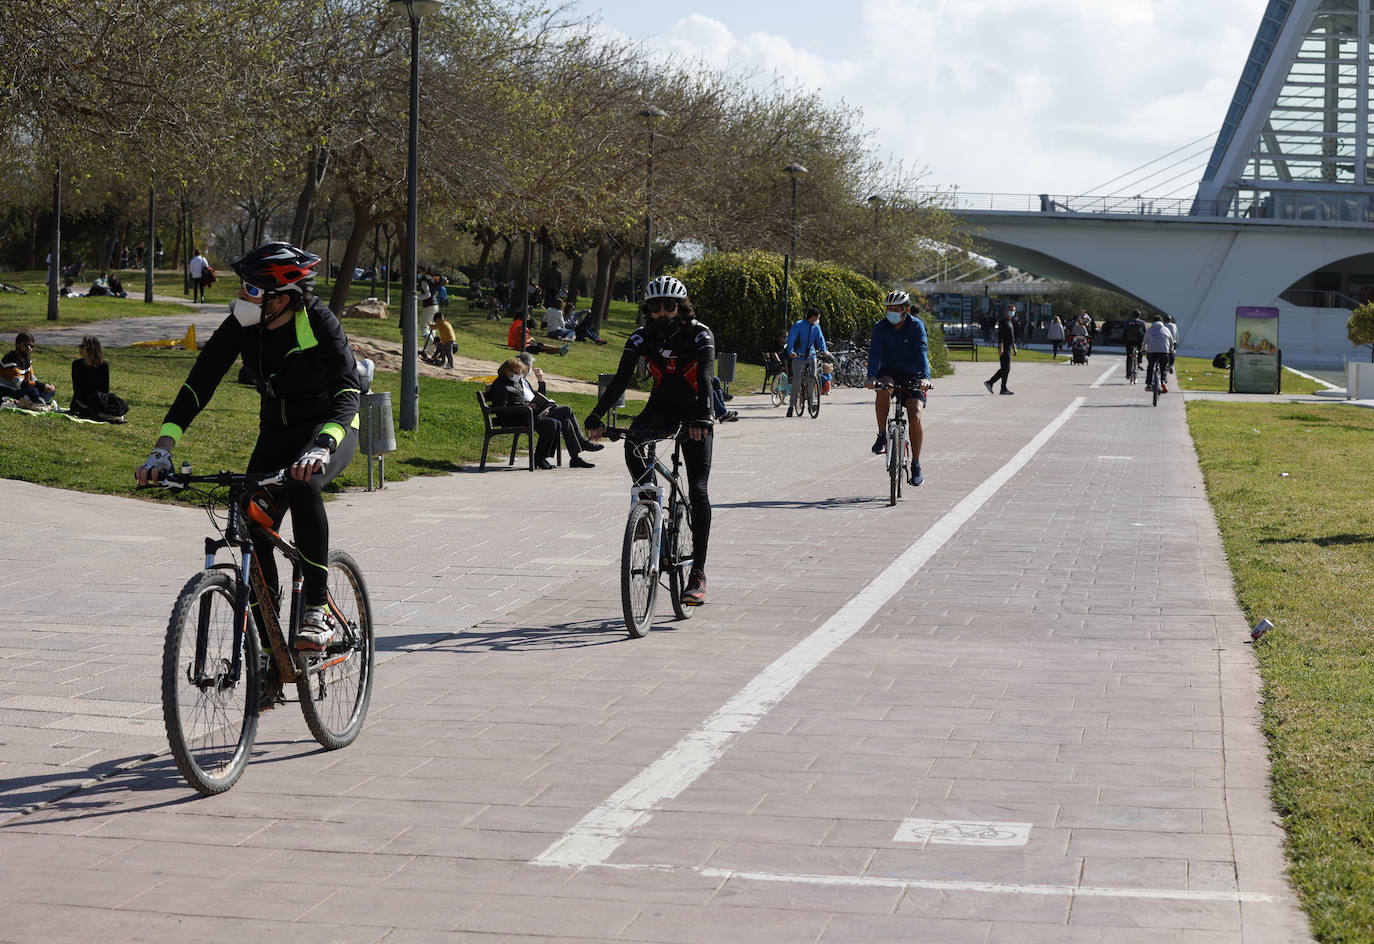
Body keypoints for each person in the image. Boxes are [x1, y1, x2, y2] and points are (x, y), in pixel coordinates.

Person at [135, 242, 361, 652]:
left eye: (254, 290)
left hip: (328, 430)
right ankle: (270, 641)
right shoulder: (242, 326)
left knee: (304, 486)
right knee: (249, 517)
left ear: (283, 299)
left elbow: (349, 391)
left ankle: (316, 609)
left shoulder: (320, 322)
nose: (244, 297)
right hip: (275, 434)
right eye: (244, 287)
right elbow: (197, 386)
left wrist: (323, 445)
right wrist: (161, 449)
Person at [585, 276, 714, 606]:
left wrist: (703, 418)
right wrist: (597, 415)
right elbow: (621, 380)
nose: (662, 313)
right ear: (648, 310)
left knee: (698, 489)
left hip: (695, 410)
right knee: (633, 443)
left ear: (680, 308)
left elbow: (706, 378)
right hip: (661, 407)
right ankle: (647, 503)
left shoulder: (699, 334)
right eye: (655, 307)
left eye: (669, 306)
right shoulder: (641, 337)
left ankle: (697, 573)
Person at [866, 290, 932, 485]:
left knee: (915, 414)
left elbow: (922, 353)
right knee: (883, 389)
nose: (891, 312)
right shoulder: (881, 327)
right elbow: (875, 353)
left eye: (896, 309)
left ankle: (916, 464)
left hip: (914, 374)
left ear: (906, 310)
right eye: (889, 309)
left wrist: (926, 378)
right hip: (889, 371)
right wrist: (870, 377)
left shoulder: (916, 326)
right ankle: (881, 435)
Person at [487, 356, 594, 470]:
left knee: (561, 422)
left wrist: (536, 408)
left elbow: (524, 400)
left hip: (525, 415)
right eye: (518, 373)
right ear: (508, 371)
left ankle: (546, 458)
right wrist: (527, 408)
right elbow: (501, 410)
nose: (520, 375)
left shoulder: (515, 383)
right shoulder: (500, 385)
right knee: (554, 423)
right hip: (513, 419)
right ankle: (540, 458)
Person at [70, 336, 127, 422]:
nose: (80, 349)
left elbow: (104, 390)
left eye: (82, 346)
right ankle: (108, 416)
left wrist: (97, 400)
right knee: (78, 405)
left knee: (114, 403)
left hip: (98, 399)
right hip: (82, 400)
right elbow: (77, 389)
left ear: (91, 349)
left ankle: (105, 414)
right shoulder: (76, 365)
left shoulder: (103, 366)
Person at [786, 306, 829, 418]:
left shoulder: (816, 326)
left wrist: (824, 350)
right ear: (812, 317)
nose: (818, 319)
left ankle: (811, 402)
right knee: (797, 380)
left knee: (812, 379)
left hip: (811, 354)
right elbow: (791, 339)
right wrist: (791, 351)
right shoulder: (798, 325)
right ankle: (791, 406)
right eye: (817, 317)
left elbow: (820, 339)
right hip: (799, 356)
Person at [2, 332, 58, 409]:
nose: (29, 348)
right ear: (17, 345)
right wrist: (41, 386)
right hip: (9, 391)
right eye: (25, 345)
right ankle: (40, 402)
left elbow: (32, 377)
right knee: (34, 391)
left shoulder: (27, 360)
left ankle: (39, 402)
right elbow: (18, 383)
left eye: (31, 346)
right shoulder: (9, 359)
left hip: (22, 390)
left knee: (51, 389)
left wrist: (44, 386)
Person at [984, 306, 1017, 395]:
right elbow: (1001, 336)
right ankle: (990, 382)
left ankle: (1003, 388)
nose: (1012, 312)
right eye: (1011, 310)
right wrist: (1001, 347)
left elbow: (1011, 336)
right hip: (1004, 347)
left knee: (1006, 368)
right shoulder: (1003, 322)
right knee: (1005, 368)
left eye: (1013, 311)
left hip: (1009, 347)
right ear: (1007, 311)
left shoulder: (1011, 322)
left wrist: (1014, 347)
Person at [1143, 314, 1173, 393]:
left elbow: (1144, 341)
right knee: (1163, 367)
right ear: (1162, 321)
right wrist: (1171, 350)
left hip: (1152, 352)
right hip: (1164, 352)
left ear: (1153, 321)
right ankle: (1163, 379)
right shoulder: (1166, 329)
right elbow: (1171, 341)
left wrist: (1143, 349)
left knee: (1150, 366)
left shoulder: (1149, 330)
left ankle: (1149, 384)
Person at [1122, 310, 1147, 377]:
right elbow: (1145, 333)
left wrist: (1124, 339)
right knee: (1140, 350)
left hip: (1129, 341)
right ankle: (1139, 362)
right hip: (1139, 341)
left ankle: (1128, 374)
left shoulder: (1127, 322)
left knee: (1129, 356)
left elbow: (1124, 331)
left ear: (1132, 315)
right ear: (1139, 316)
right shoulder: (1142, 322)